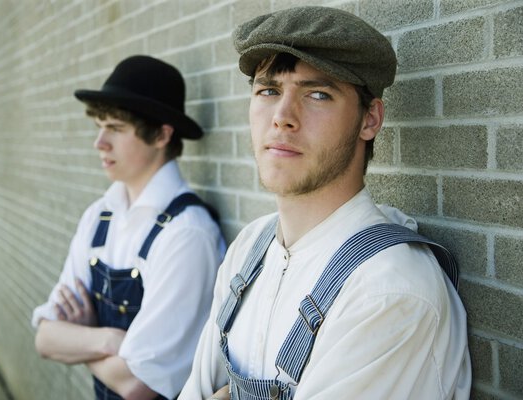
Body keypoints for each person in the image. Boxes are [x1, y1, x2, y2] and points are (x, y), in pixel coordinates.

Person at [180, 6, 471, 400]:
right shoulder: (250, 248)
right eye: (269, 90)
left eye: (317, 94)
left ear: (370, 119)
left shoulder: (389, 289)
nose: (282, 117)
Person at [32, 55, 226, 400]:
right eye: (99, 126)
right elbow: (45, 338)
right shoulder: (99, 216)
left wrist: (81, 338)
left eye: (117, 129)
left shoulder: (186, 234)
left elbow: (140, 385)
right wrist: (106, 339)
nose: (100, 142)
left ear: (162, 135)